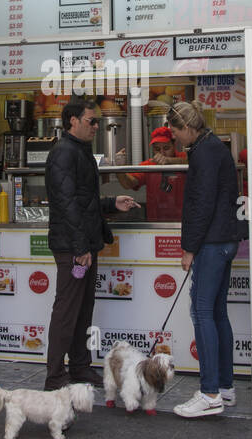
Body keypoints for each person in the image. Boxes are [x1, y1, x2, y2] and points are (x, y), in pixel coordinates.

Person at [44, 97, 137, 389]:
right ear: (72, 120)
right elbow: (66, 204)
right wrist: (80, 248)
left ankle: (80, 367)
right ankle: (55, 376)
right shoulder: (63, 153)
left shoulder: (79, 151)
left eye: (97, 121)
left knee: (83, 309)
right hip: (74, 247)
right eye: (91, 121)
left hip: (83, 243)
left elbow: (83, 201)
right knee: (67, 311)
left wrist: (111, 202)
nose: (96, 126)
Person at [168, 100, 243, 418]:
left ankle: (209, 392)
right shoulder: (215, 147)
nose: (174, 137)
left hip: (211, 242)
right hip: (226, 240)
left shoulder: (203, 152)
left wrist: (189, 248)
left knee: (202, 313)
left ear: (186, 128)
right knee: (217, 313)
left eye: (174, 131)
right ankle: (225, 387)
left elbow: (201, 205)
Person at [115, 126, 187, 220]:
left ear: (174, 145)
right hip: (155, 224)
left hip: (184, 222)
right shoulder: (149, 165)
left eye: (166, 148)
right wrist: (120, 169)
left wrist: (170, 161)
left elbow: (195, 162)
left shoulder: (184, 158)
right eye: (157, 149)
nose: (162, 153)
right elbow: (128, 183)